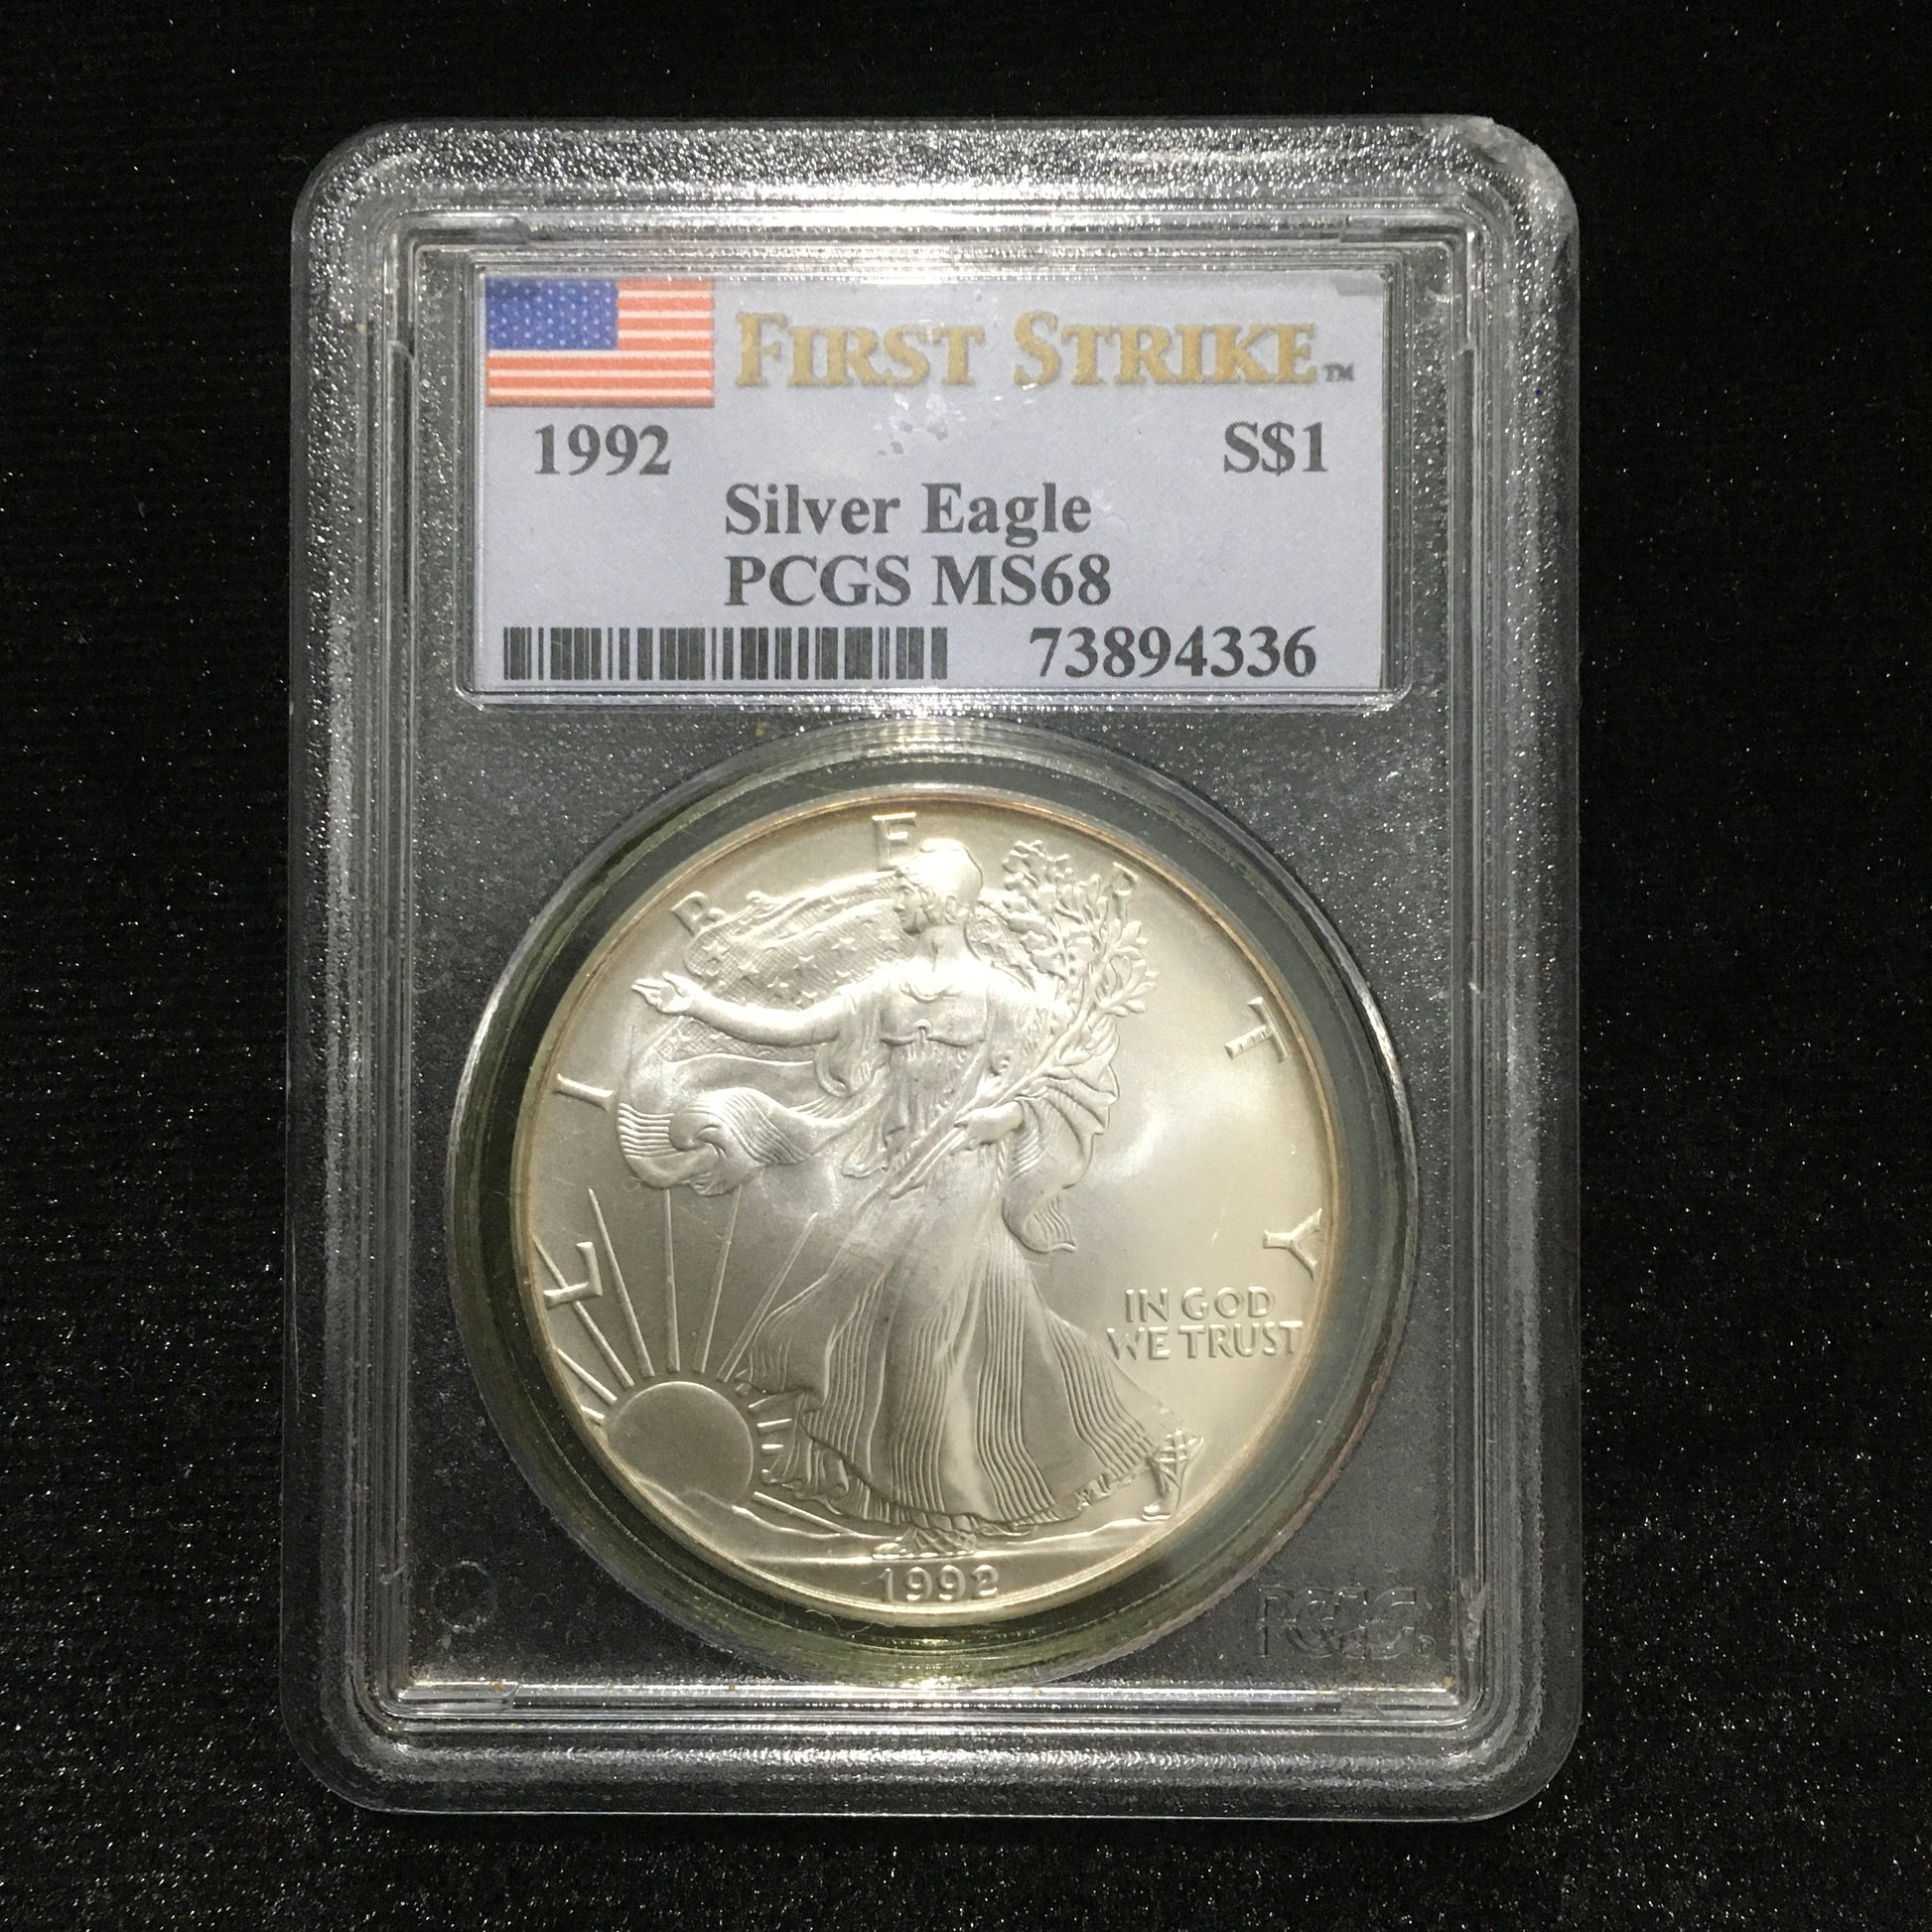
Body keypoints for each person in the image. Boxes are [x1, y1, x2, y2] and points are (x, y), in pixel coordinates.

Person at [635, 837, 1180, 1555]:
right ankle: (1151, 1441)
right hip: (900, 1175)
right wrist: (699, 1004)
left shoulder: (1005, 998)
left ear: (945, 905)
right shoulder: (886, 988)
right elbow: (796, 1030)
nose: (898, 900)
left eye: (909, 891)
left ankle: (943, 1522)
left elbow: (1070, 1081)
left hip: (965, 1179)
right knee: (1006, 1330)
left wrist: (1006, 1117)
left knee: (918, 1336)